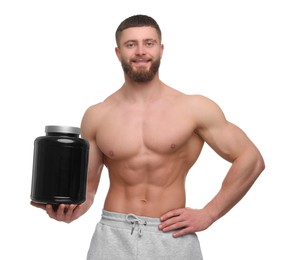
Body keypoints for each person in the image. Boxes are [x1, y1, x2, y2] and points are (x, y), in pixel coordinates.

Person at [31, 14, 265, 259]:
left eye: (149, 43)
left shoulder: (194, 108)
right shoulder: (97, 115)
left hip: (171, 234)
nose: (140, 51)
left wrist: (210, 213)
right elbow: (88, 190)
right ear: (118, 52)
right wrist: (70, 210)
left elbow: (251, 159)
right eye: (131, 44)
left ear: (161, 49)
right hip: (113, 234)